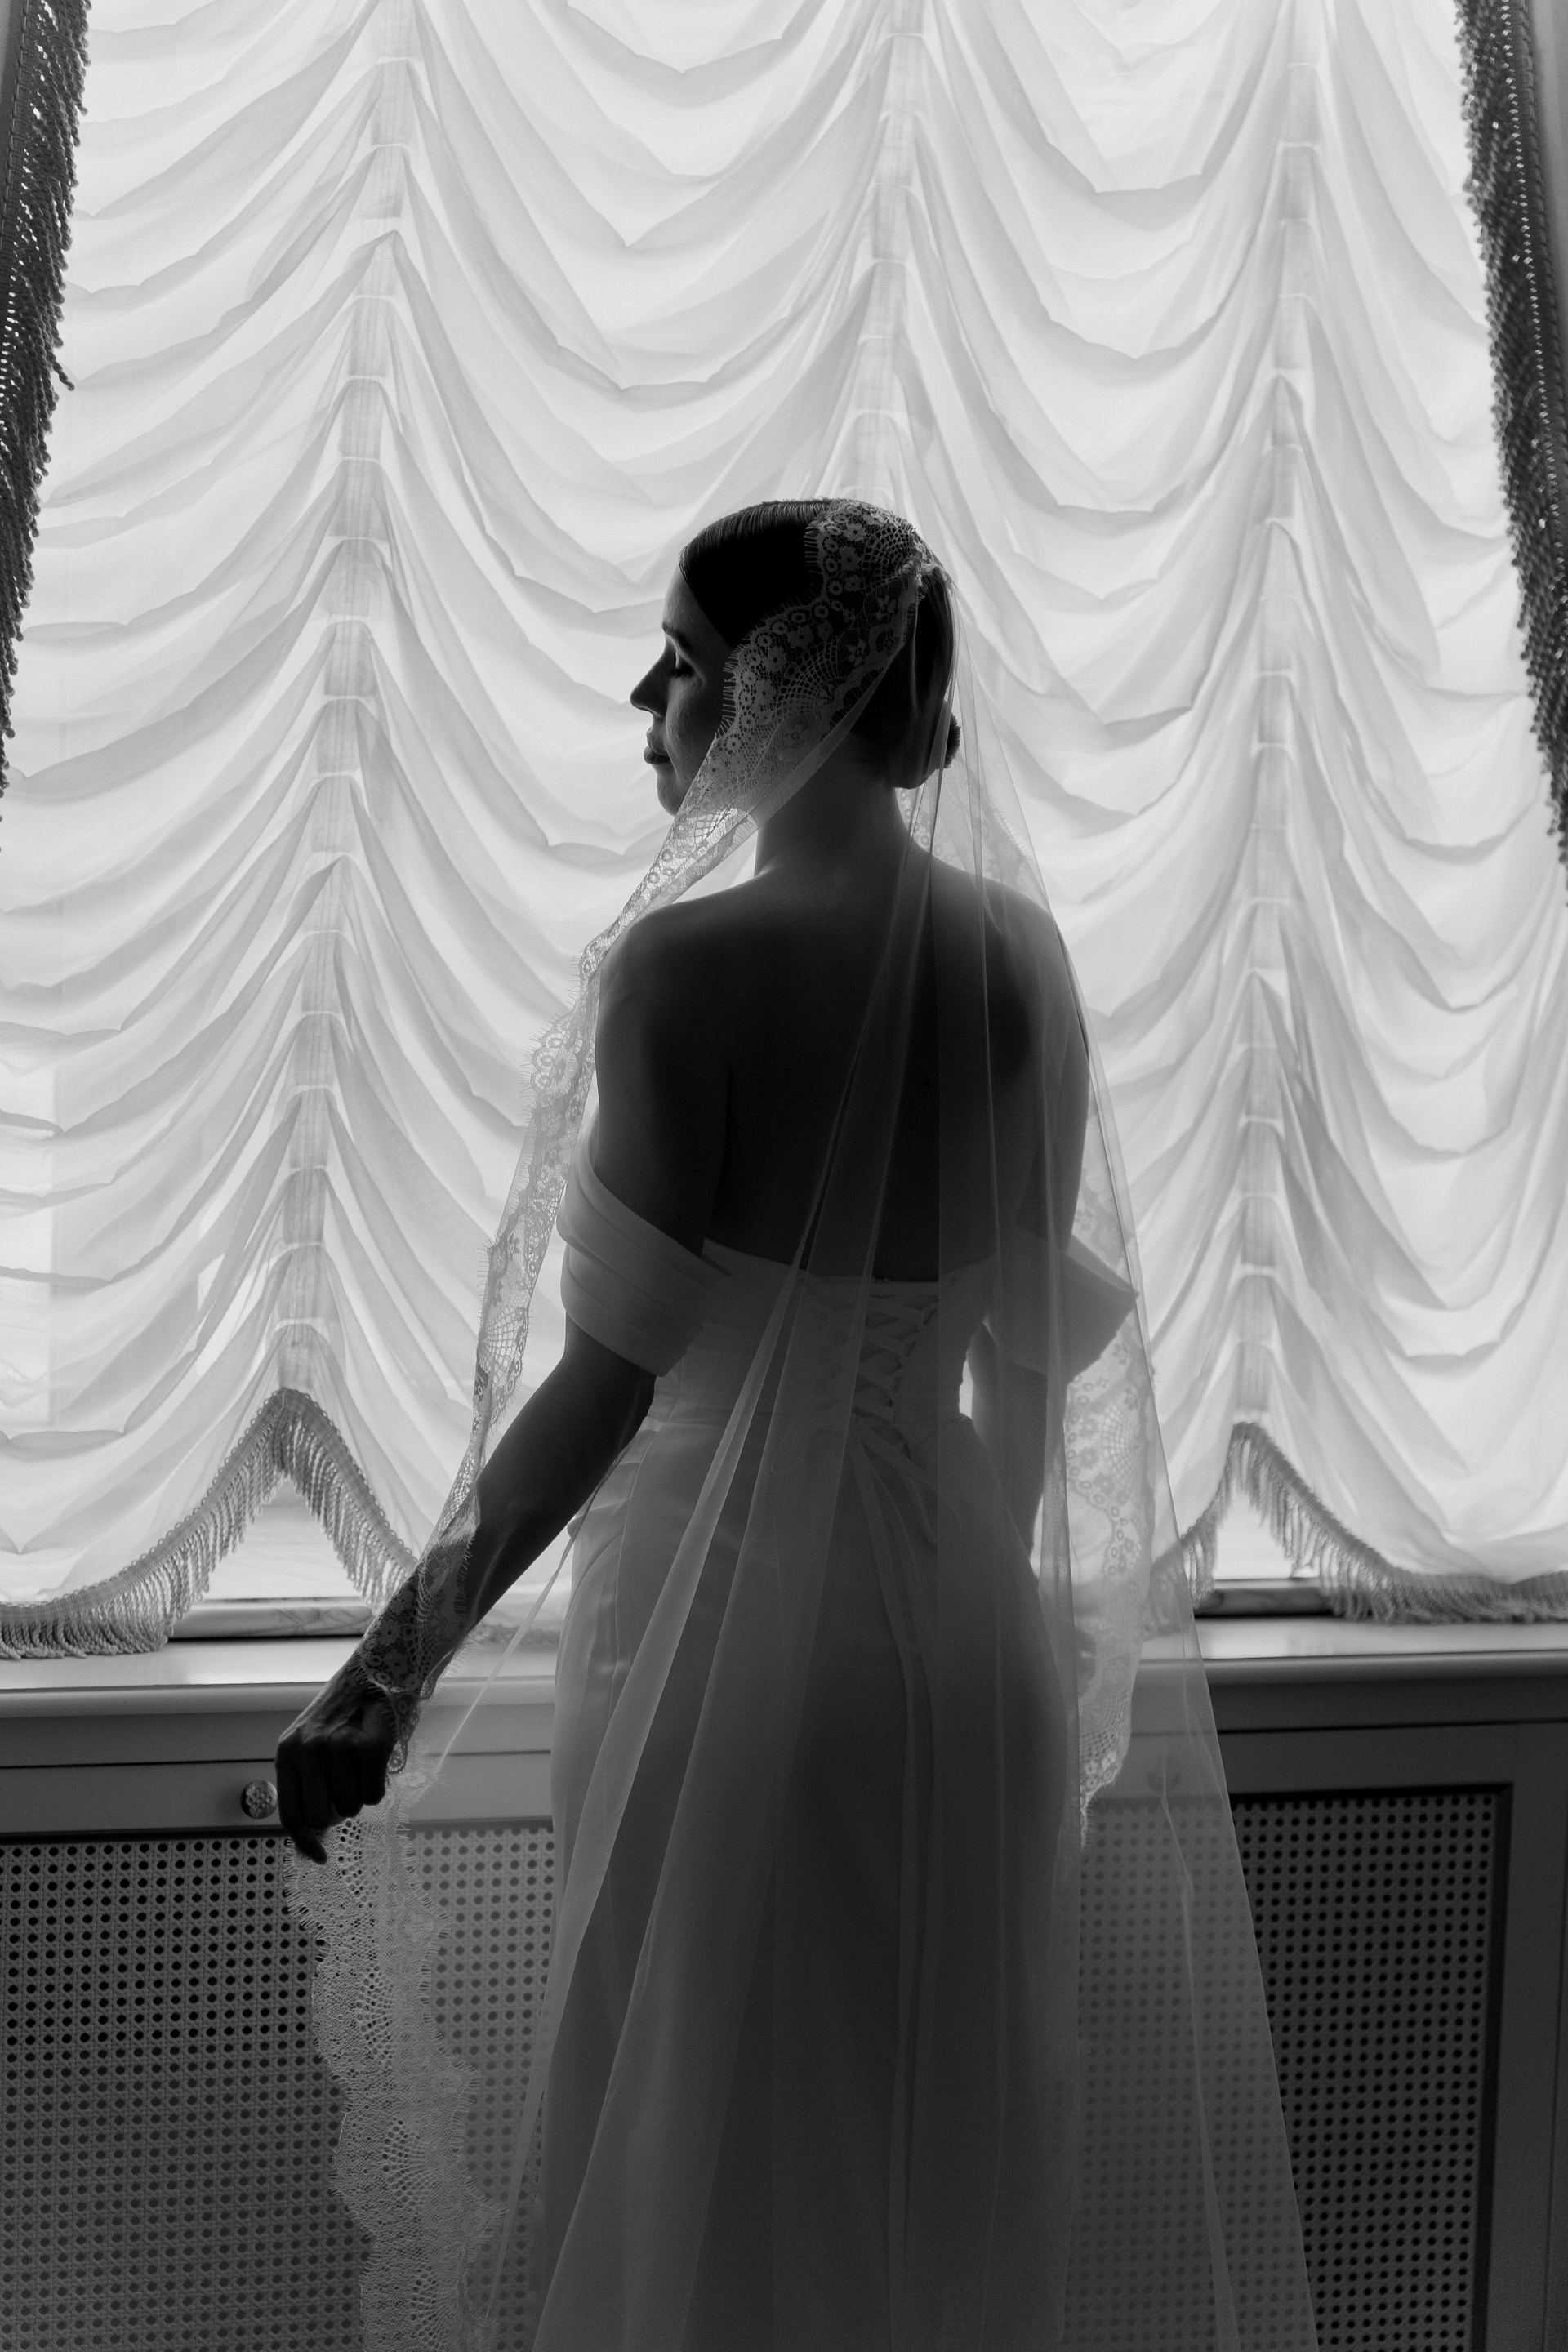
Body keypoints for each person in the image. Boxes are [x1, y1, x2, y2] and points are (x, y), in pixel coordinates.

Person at [278, 500, 1317, 2350]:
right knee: (925, 2193)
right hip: (964, 1655)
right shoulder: (1021, 960)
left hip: (721, 1656)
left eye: (682, 660)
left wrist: (385, 1670)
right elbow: (1024, 1358)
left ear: (784, 690)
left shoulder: (684, 974)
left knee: (709, 2180)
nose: (648, 699)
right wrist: (959, 1610)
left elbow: (604, 1386)